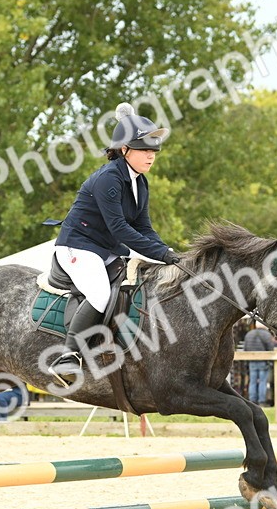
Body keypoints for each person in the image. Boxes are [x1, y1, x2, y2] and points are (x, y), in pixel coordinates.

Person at [46, 102, 182, 384]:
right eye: (145, 149)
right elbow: (120, 229)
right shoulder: (109, 178)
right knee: (99, 294)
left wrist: (168, 253)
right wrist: (160, 253)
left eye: (154, 150)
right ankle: (68, 356)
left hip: (104, 250)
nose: (151, 155)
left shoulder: (139, 182)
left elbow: (143, 227)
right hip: (78, 246)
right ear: (124, 150)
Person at [242, 322, 277, 404]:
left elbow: (245, 348)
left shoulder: (249, 334)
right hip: (264, 362)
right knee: (263, 381)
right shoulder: (267, 335)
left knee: (252, 381)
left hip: (252, 362)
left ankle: (252, 400)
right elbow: (270, 349)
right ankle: (262, 401)